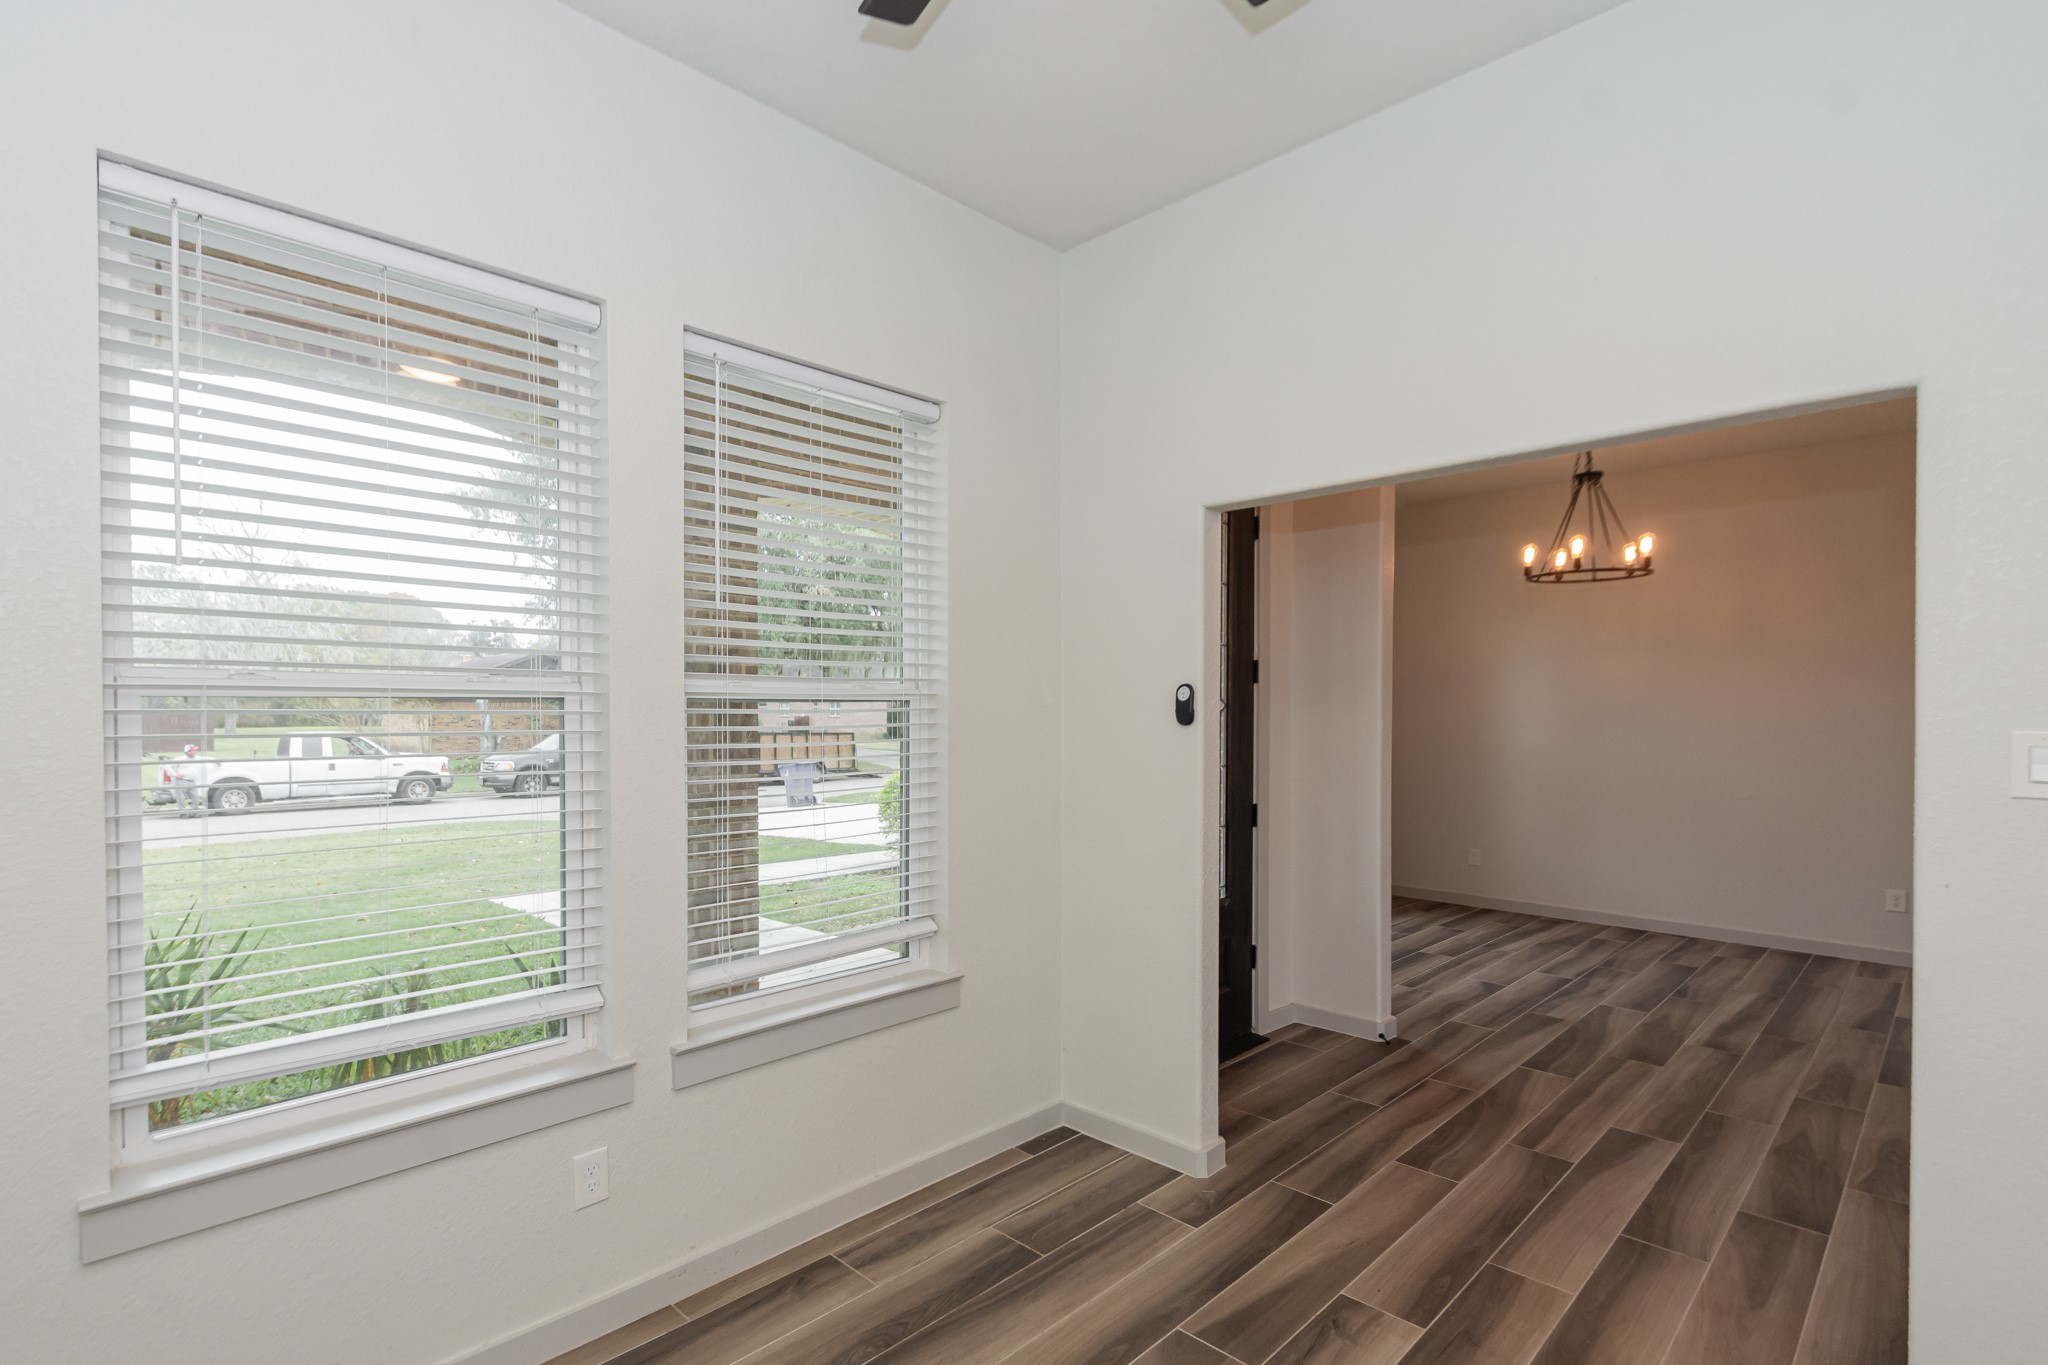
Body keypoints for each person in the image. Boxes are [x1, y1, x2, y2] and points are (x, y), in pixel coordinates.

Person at [172, 743, 206, 818]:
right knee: (181, 798)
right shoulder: (179, 759)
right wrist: (175, 774)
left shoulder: (198, 758)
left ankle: (193, 812)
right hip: (181, 781)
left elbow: (207, 758)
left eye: (195, 750)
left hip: (192, 781)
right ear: (188, 751)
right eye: (194, 750)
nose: (196, 751)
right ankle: (183, 813)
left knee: (196, 797)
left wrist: (216, 761)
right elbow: (168, 766)